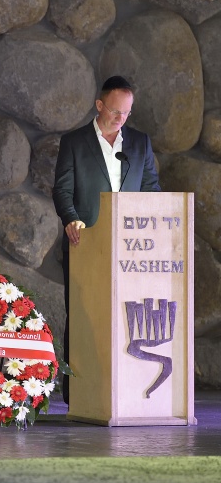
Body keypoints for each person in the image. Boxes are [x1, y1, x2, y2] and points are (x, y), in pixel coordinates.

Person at [52, 75, 161, 404]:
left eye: (126, 113)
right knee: (86, 317)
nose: (120, 119)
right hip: (85, 244)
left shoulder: (140, 143)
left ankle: (128, 390)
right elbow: (63, 189)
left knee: (130, 319)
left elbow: (151, 189)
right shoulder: (75, 142)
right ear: (99, 105)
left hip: (132, 247)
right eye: (115, 111)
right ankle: (81, 392)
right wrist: (71, 219)